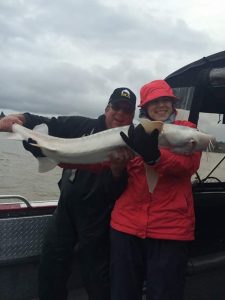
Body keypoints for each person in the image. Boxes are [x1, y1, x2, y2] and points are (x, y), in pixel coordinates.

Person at [0, 87, 136, 300]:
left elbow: (120, 192)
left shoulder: (132, 144)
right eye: (116, 107)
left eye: (127, 110)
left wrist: (118, 170)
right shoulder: (82, 125)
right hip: (65, 209)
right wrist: (19, 118)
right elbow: (50, 123)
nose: (120, 114)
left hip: (99, 216)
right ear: (107, 108)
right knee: (50, 267)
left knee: (97, 276)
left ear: (132, 117)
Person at [109, 80, 202, 300]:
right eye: (155, 102)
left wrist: (155, 156)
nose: (161, 105)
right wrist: (116, 166)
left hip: (170, 229)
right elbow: (118, 176)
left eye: (166, 100)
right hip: (126, 226)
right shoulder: (130, 134)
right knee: (122, 292)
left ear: (173, 104)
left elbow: (188, 166)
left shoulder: (187, 130)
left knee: (164, 293)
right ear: (145, 107)